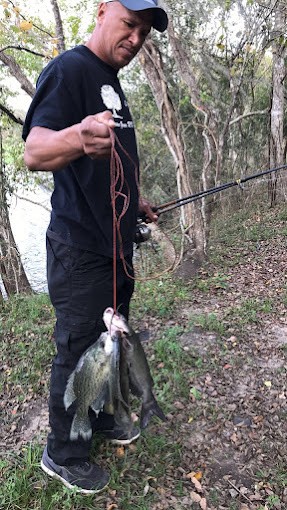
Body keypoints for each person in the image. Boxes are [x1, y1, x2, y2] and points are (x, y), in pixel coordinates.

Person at [22, 0, 168, 496]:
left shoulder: (111, 77)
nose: (135, 38)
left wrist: (137, 203)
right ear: (103, 10)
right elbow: (34, 150)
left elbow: (108, 166)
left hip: (115, 246)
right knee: (78, 350)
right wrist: (76, 137)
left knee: (110, 345)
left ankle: (101, 420)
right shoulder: (68, 69)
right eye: (129, 24)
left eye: (144, 32)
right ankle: (62, 453)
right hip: (80, 247)